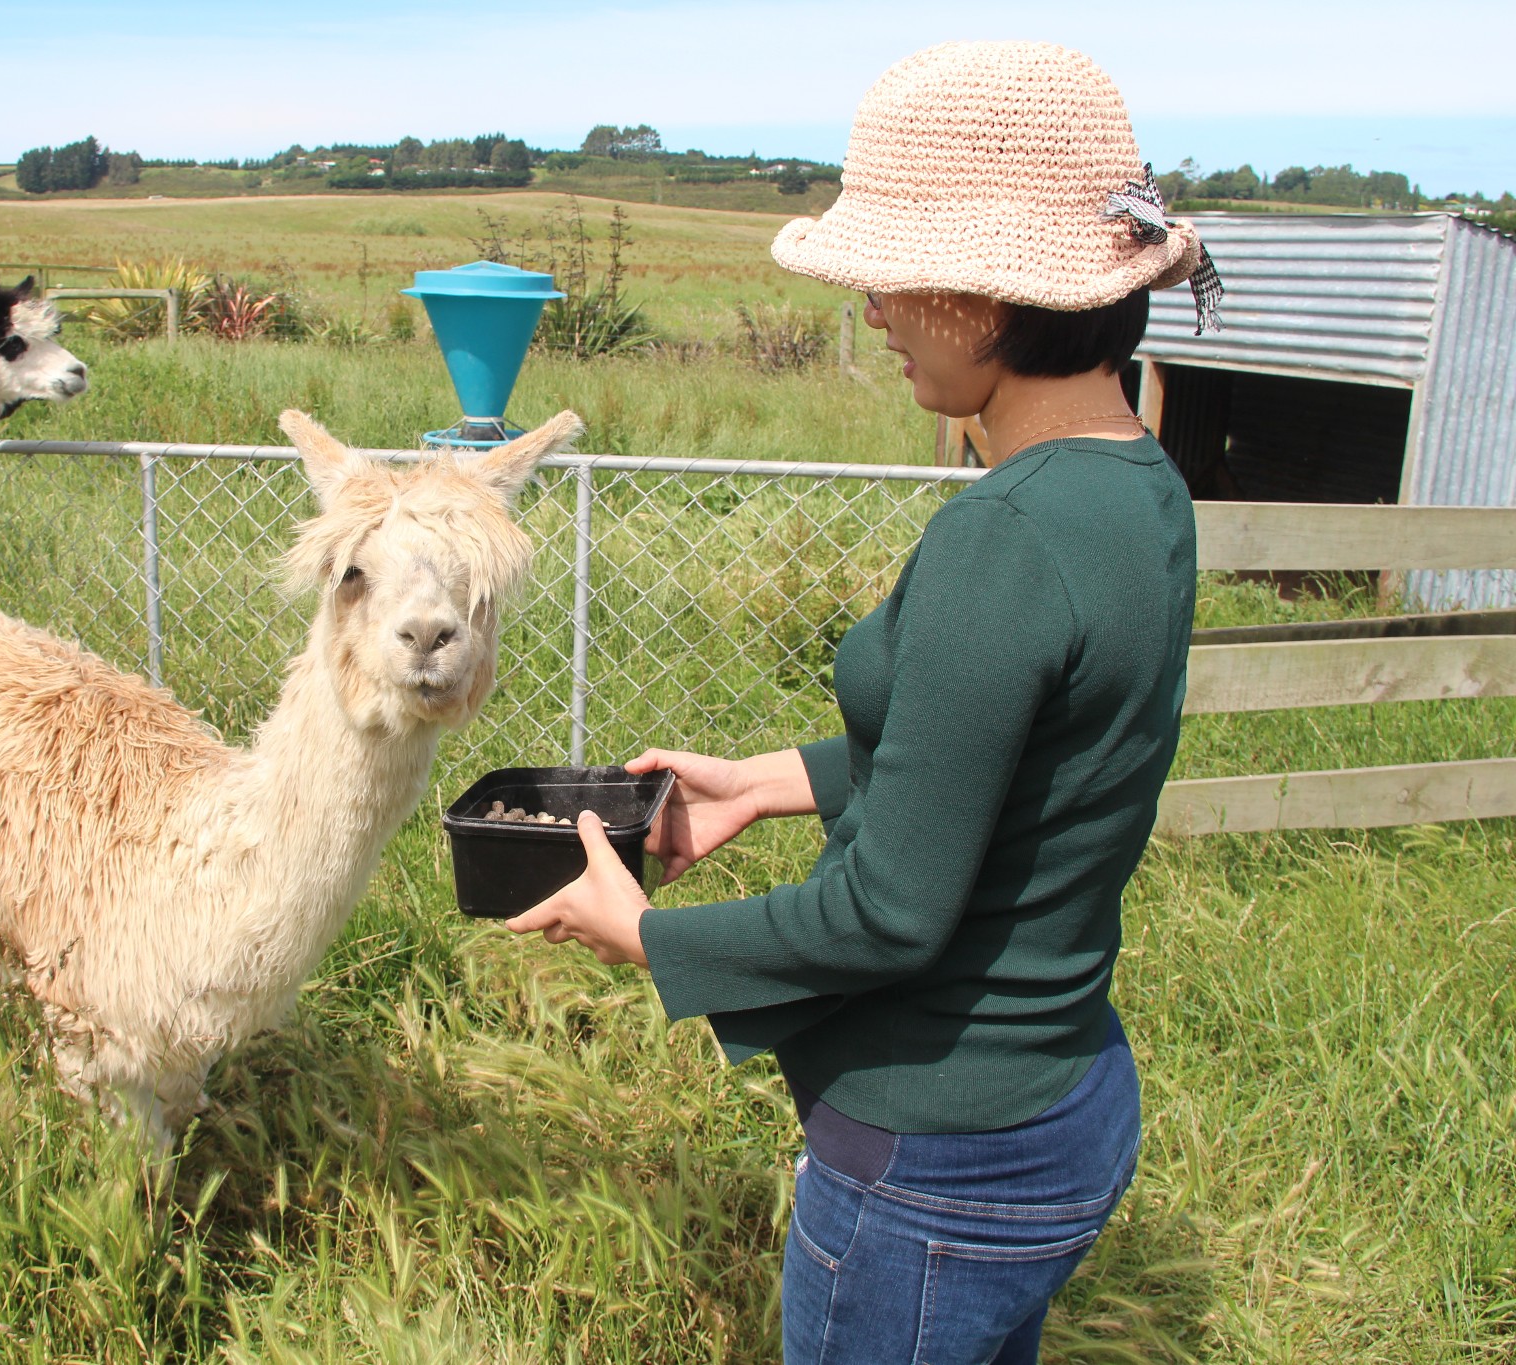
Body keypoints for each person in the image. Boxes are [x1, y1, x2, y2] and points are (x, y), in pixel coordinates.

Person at [503, 40, 1219, 1365]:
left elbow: (888, 912)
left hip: (933, 1164)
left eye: (891, 274)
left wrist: (652, 939)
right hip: (1065, 1102)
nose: (875, 308)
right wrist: (767, 778)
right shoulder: (1139, 489)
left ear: (981, 294)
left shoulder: (1003, 535)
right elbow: (1022, 752)